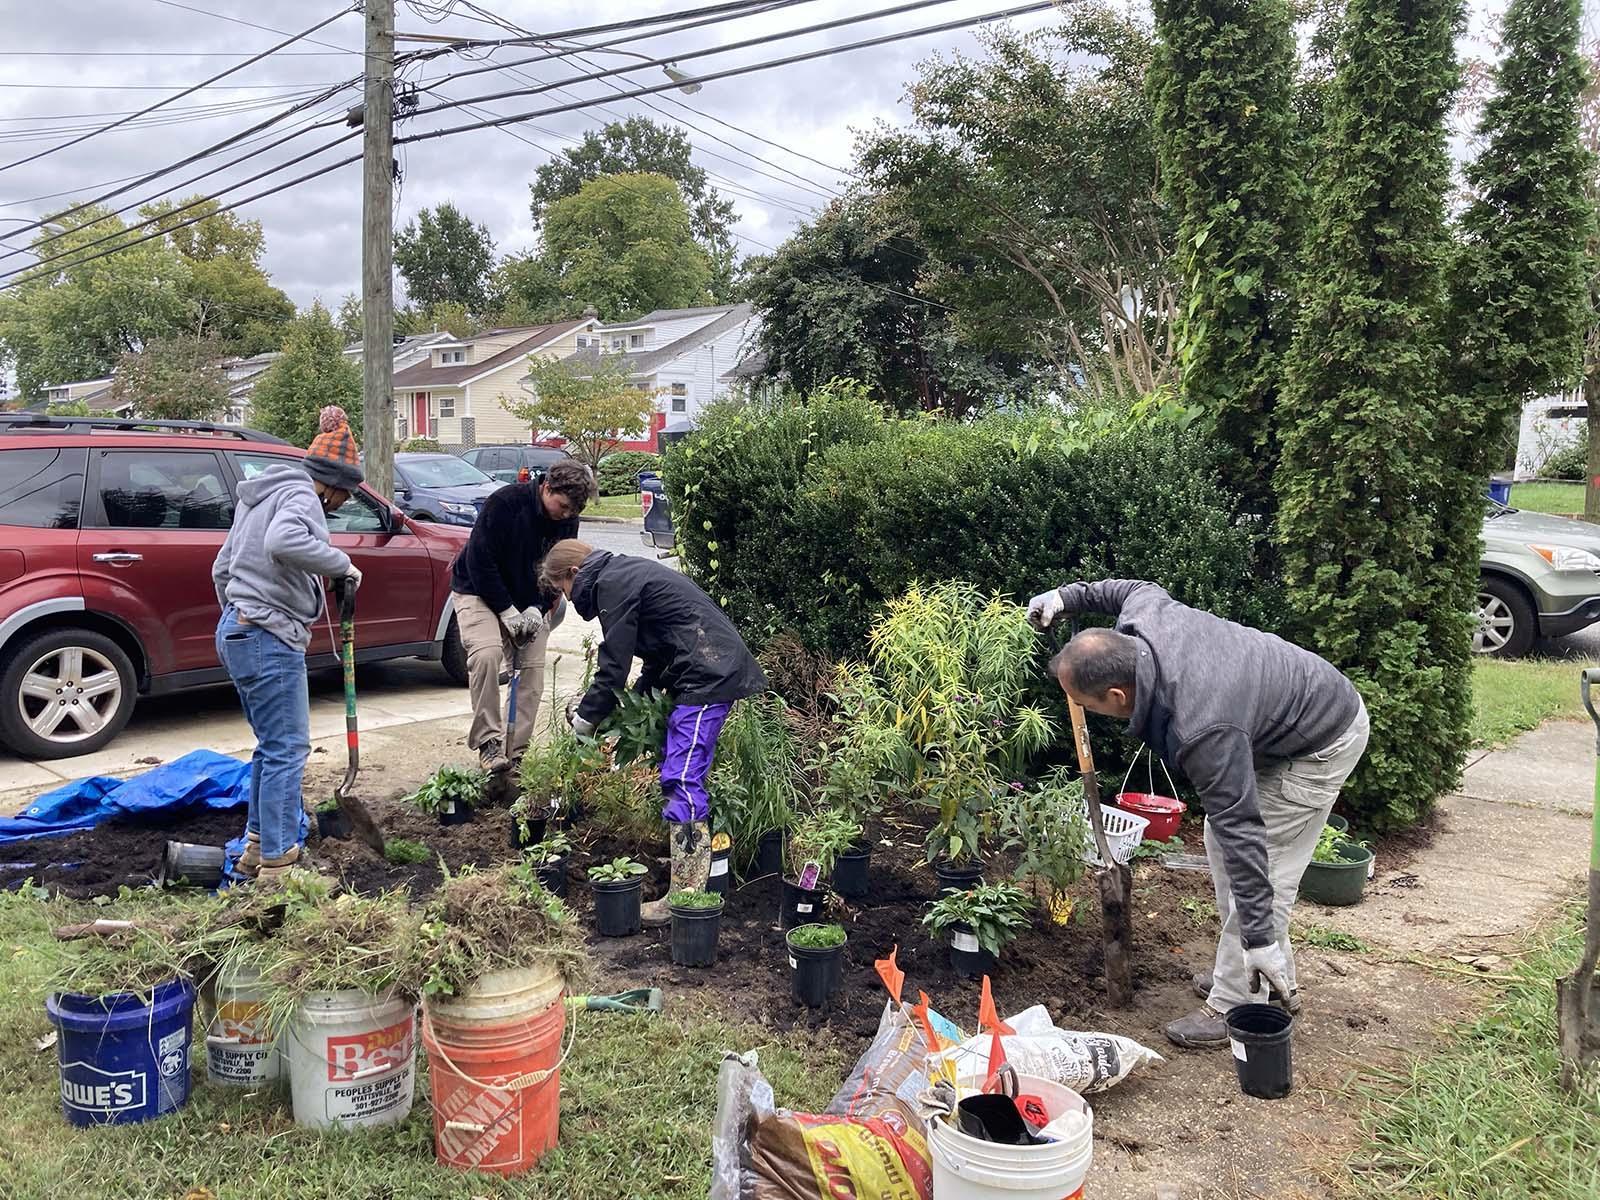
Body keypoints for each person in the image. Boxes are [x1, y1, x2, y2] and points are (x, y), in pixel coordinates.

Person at [1028, 578, 1370, 1049]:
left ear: (1117, 696)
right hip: (1277, 722)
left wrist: (1259, 938)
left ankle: (1238, 998)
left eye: (1087, 704)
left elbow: (1243, 828)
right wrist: (1068, 598)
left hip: (1321, 740)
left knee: (1261, 862)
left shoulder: (1202, 726)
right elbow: (1132, 586)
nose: (1087, 711)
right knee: (1218, 838)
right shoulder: (1144, 615)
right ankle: (1251, 968)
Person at [540, 538, 768, 925]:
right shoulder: (622, 574)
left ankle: (687, 895)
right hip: (700, 671)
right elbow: (656, 656)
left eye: (562, 588)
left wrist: (587, 721)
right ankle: (688, 869)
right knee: (680, 773)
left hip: (707, 677)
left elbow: (613, 665)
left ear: (573, 574)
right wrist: (631, 703)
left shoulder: (613, 582)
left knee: (682, 778)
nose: (567, 597)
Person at [212, 406, 364, 883]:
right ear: (332, 485)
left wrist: (237, 611)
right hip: (265, 635)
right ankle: (281, 867)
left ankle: (257, 849)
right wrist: (340, 564)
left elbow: (223, 566)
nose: (341, 506)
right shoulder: (300, 497)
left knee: (270, 747)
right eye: (344, 496)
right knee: (287, 749)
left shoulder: (262, 495)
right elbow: (283, 543)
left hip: (239, 630)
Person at [449, 458, 593, 773]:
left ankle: (515, 754)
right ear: (548, 487)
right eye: (563, 506)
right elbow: (480, 563)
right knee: (486, 656)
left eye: (573, 512)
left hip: (529, 599)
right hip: (478, 590)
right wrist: (507, 611)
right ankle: (489, 743)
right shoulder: (504, 503)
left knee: (532, 671)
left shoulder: (567, 520)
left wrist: (536, 608)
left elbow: (560, 569)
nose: (566, 515)